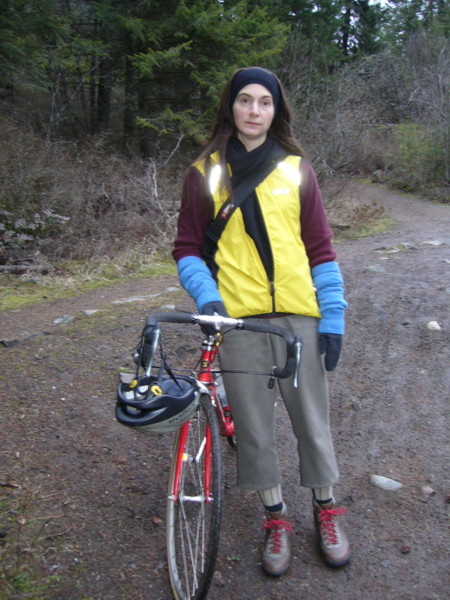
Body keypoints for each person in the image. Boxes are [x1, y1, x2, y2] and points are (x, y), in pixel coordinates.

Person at [172, 66, 351, 576]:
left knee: (311, 419)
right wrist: (211, 299)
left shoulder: (296, 169)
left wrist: (333, 313)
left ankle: (326, 508)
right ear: (230, 106)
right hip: (239, 323)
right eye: (245, 100)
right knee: (251, 426)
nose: (254, 111)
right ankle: (276, 517)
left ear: (276, 110)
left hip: (299, 317)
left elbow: (320, 250)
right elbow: (188, 249)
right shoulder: (204, 172)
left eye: (265, 102)